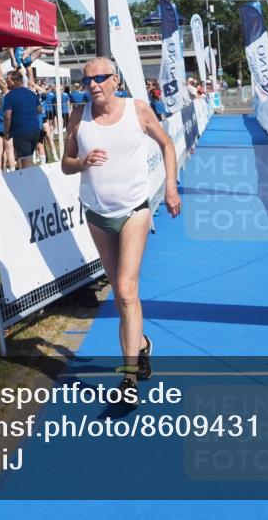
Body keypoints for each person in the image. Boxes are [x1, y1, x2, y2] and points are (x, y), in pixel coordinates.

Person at [62, 57, 181, 405]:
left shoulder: (137, 110)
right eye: (87, 80)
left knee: (127, 291)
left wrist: (171, 188)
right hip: (96, 214)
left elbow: (167, 144)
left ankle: (128, 380)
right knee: (118, 292)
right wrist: (82, 162)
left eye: (100, 78)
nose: (93, 85)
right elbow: (65, 164)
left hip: (133, 211)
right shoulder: (78, 117)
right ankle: (141, 345)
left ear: (115, 79)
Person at [2, 69, 42, 170]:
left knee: (25, 162)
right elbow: (39, 109)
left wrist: (6, 132)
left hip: (21, 131)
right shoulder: (31, 94)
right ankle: (27, 179)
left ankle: (28, 183)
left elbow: (7, 116)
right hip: (35, 129)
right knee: (27, 158)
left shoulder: (9, 96)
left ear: (16, 81)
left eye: (9, 81)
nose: (7, 83)